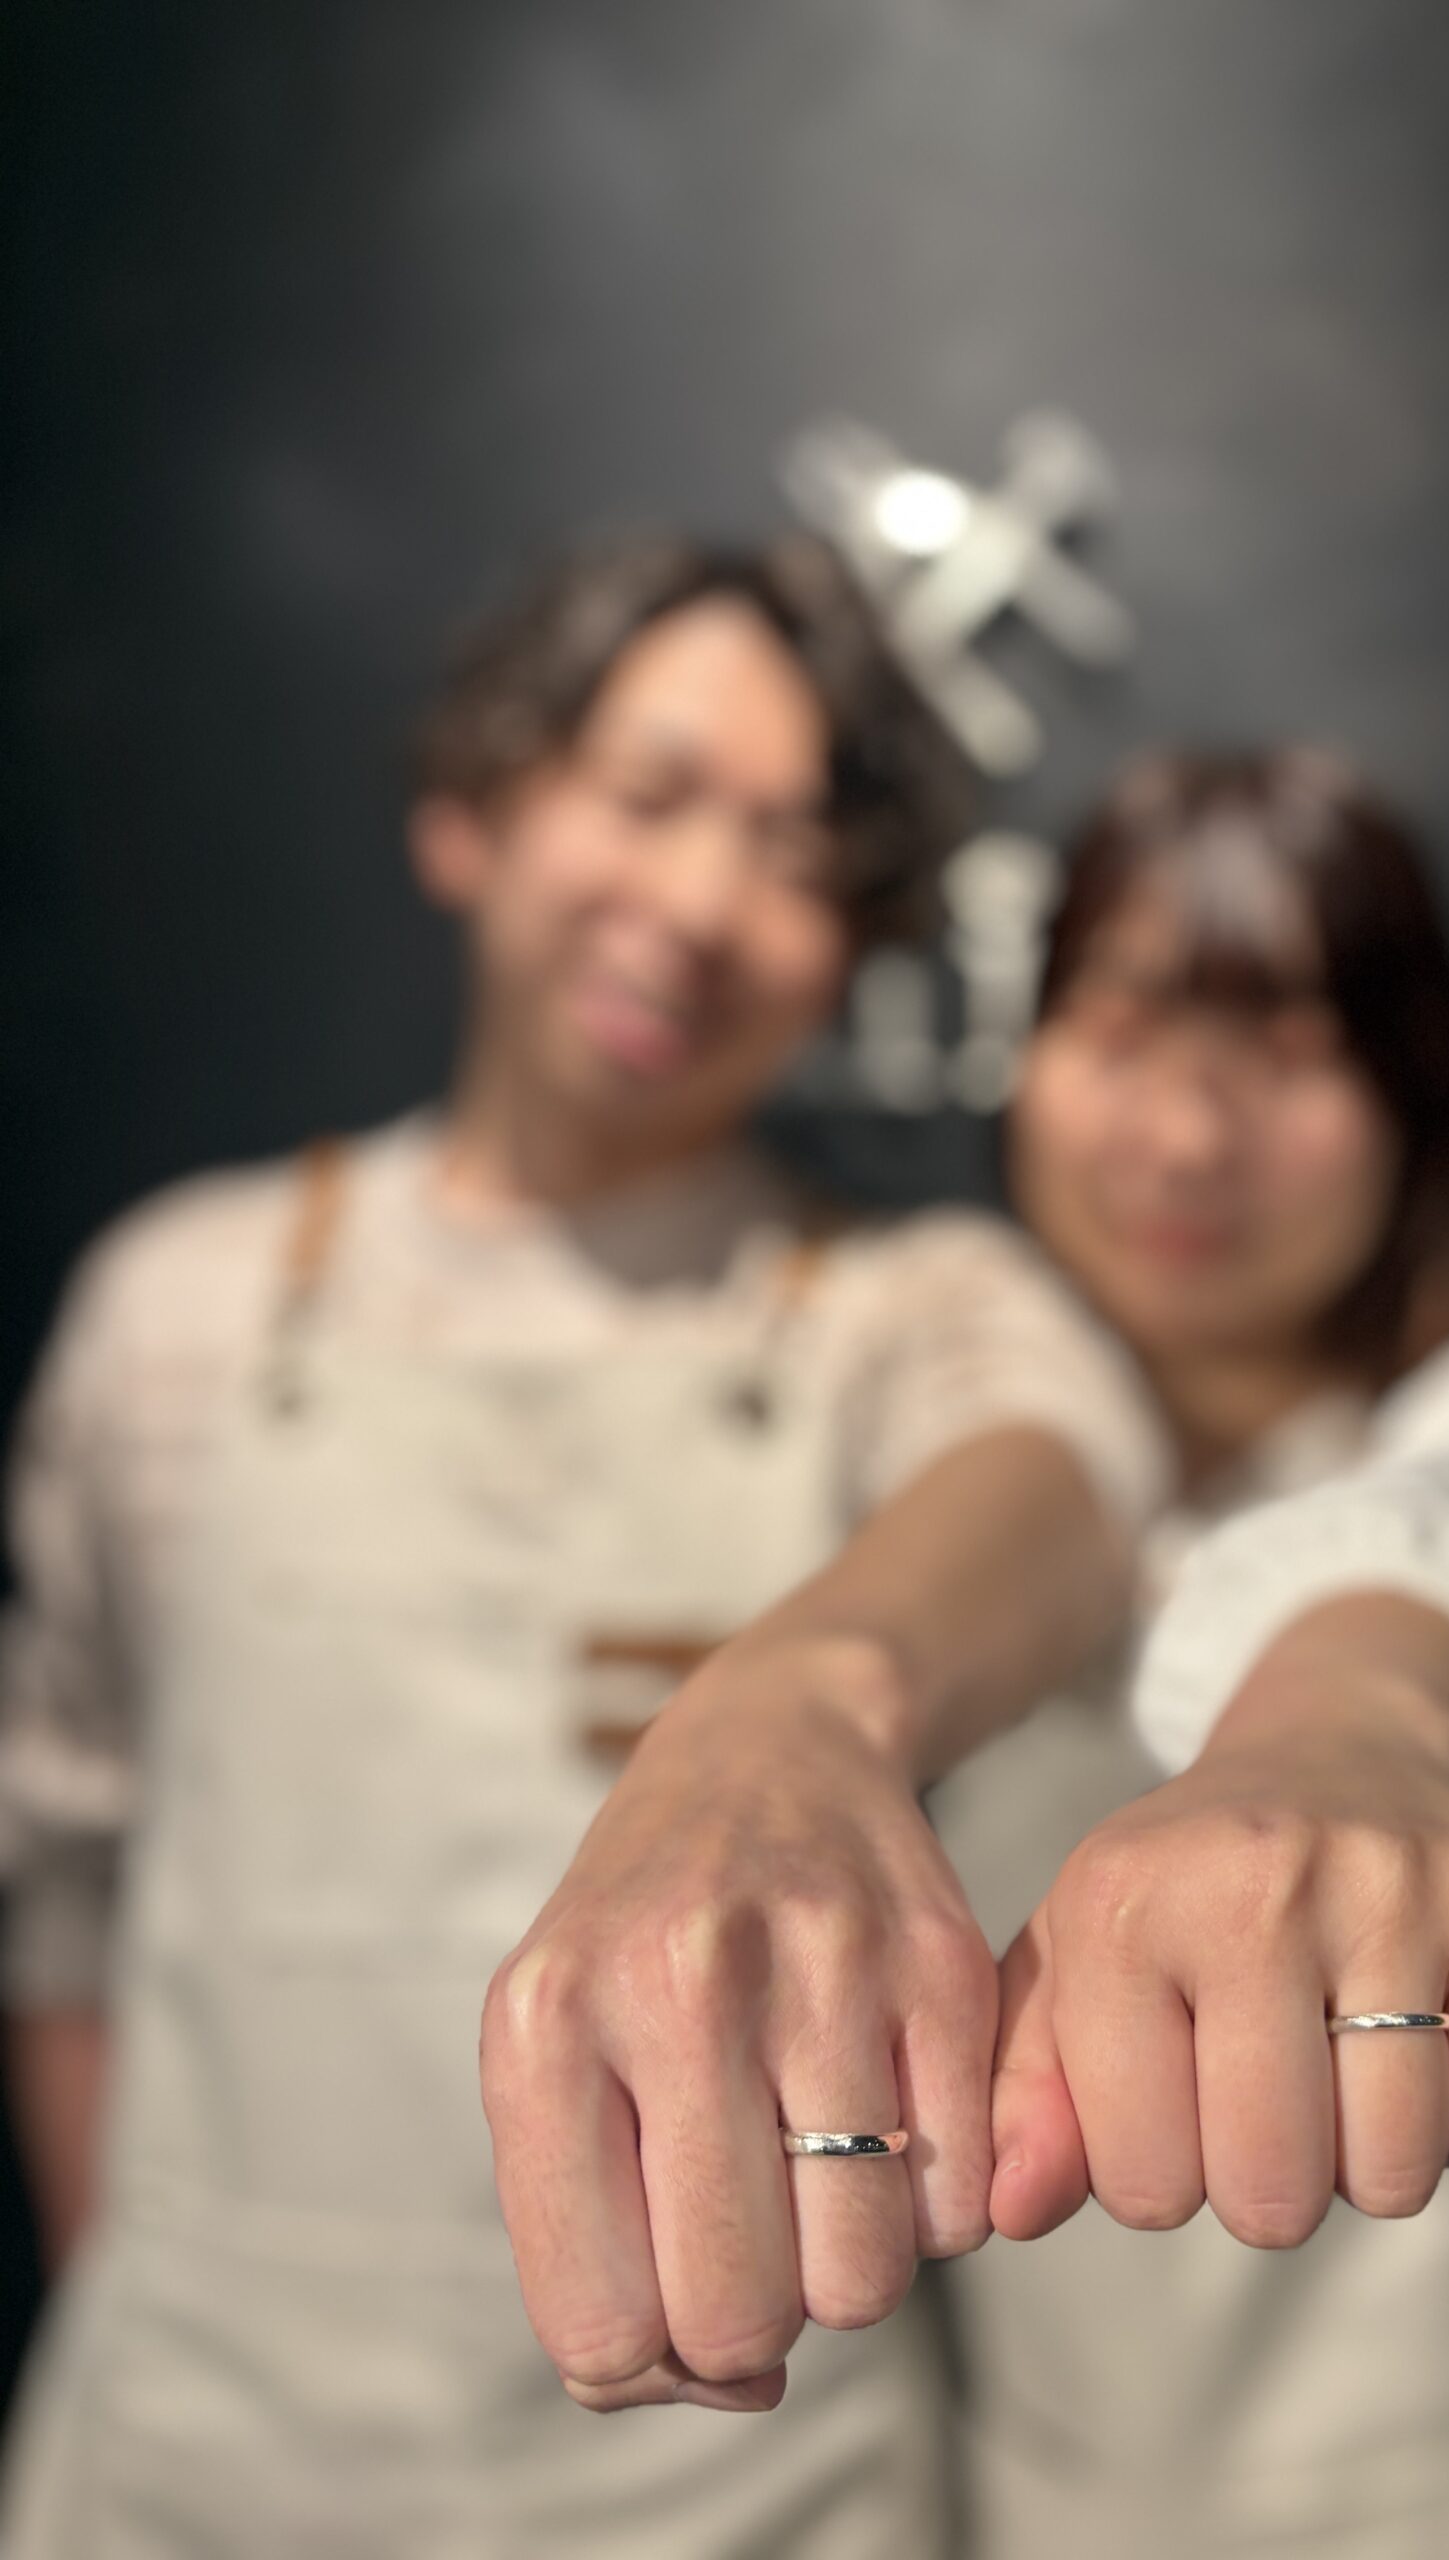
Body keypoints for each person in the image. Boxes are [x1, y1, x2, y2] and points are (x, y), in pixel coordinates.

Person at [0, 536, 1169, 2556]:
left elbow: (1065, 1484)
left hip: (742, 2486)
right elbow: (65, 1891)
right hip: (191, 2464)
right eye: (648, 795)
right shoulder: (177, 1313)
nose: (701, 904)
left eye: (794, 857)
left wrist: (807, 1699)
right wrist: (149, 2287)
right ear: (472, 813)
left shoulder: (901, 1311)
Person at [927, 746, 1449, 2556]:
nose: (1185, 1138)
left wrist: (1348, 1723)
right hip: (1053, 2483)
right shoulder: (950, 1440)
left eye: (1290, 1057)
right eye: (1120, 1033)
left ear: (1414, 1096)